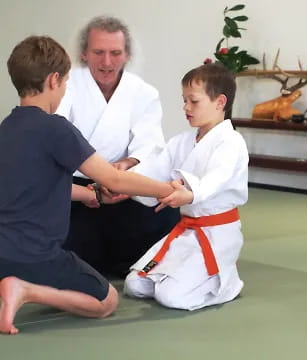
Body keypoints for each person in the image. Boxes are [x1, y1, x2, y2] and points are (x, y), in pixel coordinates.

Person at [0, 36, 177, 335]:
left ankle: (16, 283)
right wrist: (167, 190)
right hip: (37, 255)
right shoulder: (56, 128)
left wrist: (90, 194)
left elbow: (39, 184)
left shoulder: (7, 128)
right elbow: (113, 178)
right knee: (107, 300)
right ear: (54, 80)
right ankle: (26, 291)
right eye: (66, 81)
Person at [56, 16, 180, 277]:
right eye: (98, 52)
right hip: (80, 186)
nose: (107, 62)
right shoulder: (66, 86)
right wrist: (97, 179)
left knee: (166, 212)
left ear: (126, 55)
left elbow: (151, 145)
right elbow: (58, 136)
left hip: (123, 185)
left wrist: (127, 166)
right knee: (62, 234)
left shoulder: (143, 92)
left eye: (115, 53)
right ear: (84, 54)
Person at [123, 63, 249, 311]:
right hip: (186, 231)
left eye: (193, 101)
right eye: (184, 101)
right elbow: (152, 171)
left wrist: (190, 194)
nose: (185, 108)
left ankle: (227, 283)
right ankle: (189, 276)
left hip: (217, 234)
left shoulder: (231, 141)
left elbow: (217, 178)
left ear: (220, 102)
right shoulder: (181, 142)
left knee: (172, 298)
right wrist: (121, 184)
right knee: (135, 285)